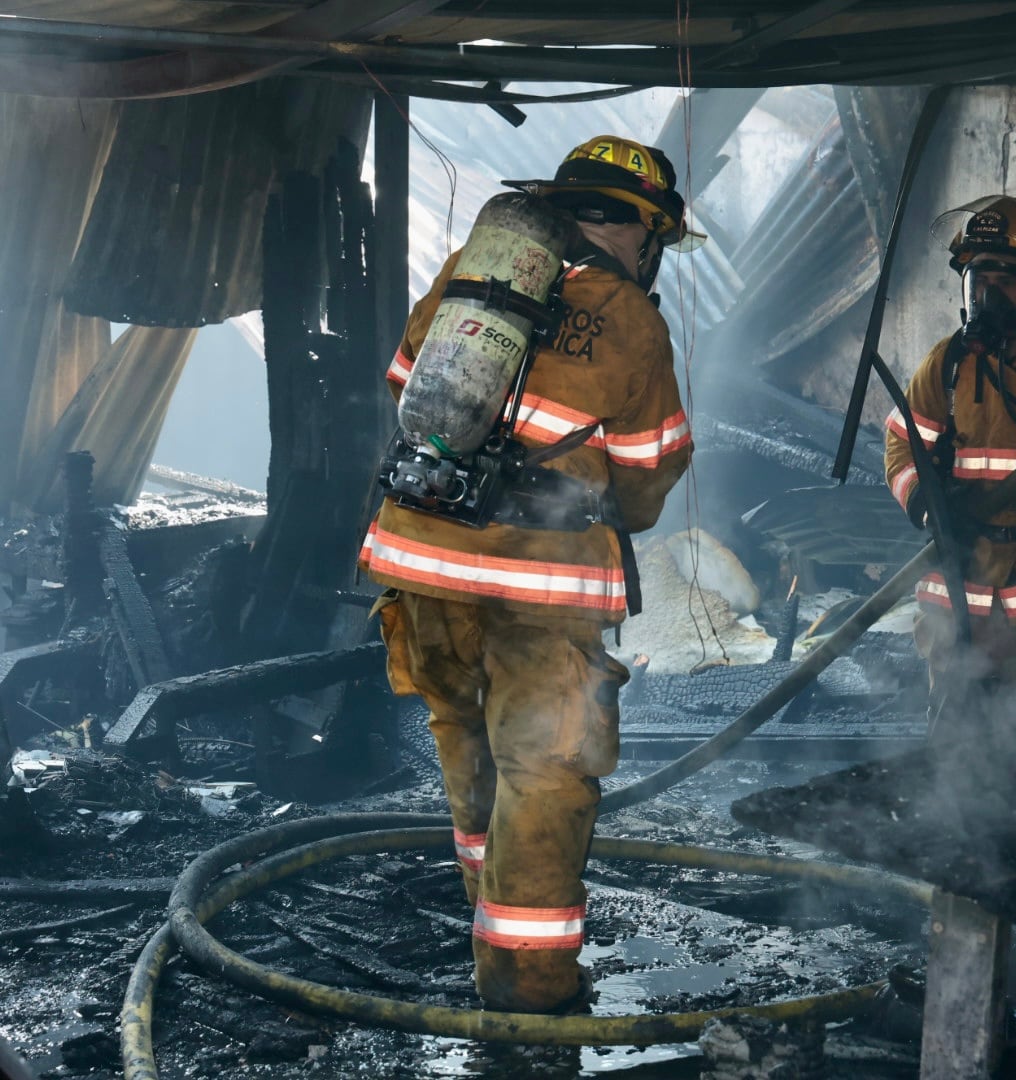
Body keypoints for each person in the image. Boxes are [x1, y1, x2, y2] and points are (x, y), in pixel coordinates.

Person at [361, 136, 698, 1013]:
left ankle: (488, 915)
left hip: (419, 566)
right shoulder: (630, 318)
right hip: (538, 588)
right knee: (545, 773)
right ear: (641, 231)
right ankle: (528, 987)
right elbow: (649, 473)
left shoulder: (472, 278)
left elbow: (405, 384)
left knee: (464, 737)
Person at [883, 195, 1016, 714]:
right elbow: (902, 447)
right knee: (956, 740)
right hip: (963, 592)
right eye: (979, 281)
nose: (988, 297)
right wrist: (927, 503)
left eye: (1005, 282)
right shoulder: (949, 365)